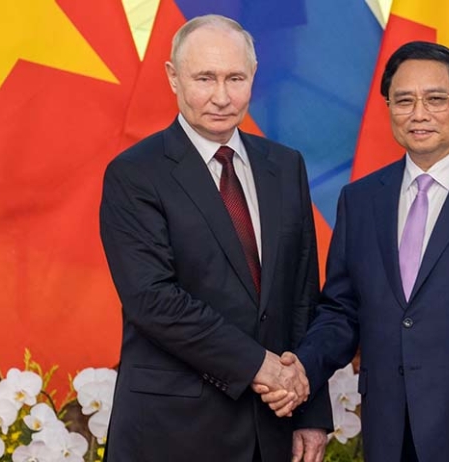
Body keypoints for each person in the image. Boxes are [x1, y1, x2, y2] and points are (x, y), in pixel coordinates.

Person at [260, 41, 449, 461]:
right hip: (391, 429)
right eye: (404, 100)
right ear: (389, 107)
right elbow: (341, 311)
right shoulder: (361, 199)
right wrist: (301, 368)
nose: (419, 113)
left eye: (435, 99)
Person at [99, 14, 331, 462]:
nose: (222, 97)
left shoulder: (286, 166)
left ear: (253, 76)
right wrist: (259, 365)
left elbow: (303, 296)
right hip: (172, 433)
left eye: (235, 78)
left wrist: (311, 412)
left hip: (273, 427)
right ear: (173, 77)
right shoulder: (134, 174)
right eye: (205, 78)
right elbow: (153, 300)